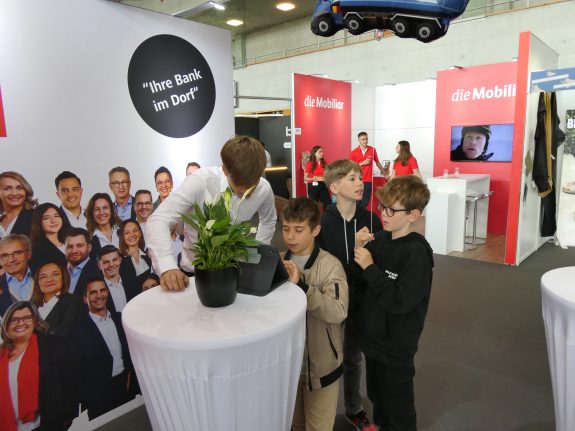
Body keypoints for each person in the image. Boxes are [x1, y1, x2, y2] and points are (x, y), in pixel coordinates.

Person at [146, 135, 277, 291]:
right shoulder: (200, 182)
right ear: (225, 170)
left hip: (235, 271)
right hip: (193, 273)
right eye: (239, 183)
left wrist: (258, 257)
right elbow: (158, 220)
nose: (245, 191)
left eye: (252, 185)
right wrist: (167, 266)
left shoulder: (264, 189)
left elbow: (268, 221)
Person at [353, 176, 433, 430]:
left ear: (413, 215)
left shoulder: (417, 253)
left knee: (399, 410)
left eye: (391, 210)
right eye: (382, 207)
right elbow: (362, 283)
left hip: (396, 346)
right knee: (378, 399)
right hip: (373, 340)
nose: (383, 214)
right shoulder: (379, 239)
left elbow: (400, 301)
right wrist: (359, 250)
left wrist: (370, 267)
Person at [319, 159, 382, 431]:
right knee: (327, 358)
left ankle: (354, 408)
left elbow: (378, 262)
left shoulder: (372, 220)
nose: (360, 183)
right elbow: (324, 267)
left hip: (364, 300)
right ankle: (321, 411)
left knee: (355, 355)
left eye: (360, 178)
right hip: (332, 301)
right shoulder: (323, 223)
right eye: (352, 178)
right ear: (334, 187)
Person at [280, 197, 348, 431]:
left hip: (322, 368)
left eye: (299, 230)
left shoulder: (330, 266)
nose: (290, 236)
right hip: (288, 367)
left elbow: (339, 311)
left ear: (315, 230)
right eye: (286, 229)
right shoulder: (278, 261)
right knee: (295, 425)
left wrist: (302, 287)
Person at [0, 301, 79, 431]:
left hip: (44, 425)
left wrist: (67, 417)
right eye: (14, 320)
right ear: (6, 324)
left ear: (36, 321)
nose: (21, 323)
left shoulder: (54, 345)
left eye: (27, 318)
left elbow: (70, 381)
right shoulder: (1, 355)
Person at [72, 277, 136, 420]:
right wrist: (90, 397)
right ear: (85, 299)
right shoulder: (78, 331)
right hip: (99, 398)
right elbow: (77, 372)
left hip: (126, 388)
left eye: (102, 290)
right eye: (93, 292)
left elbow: (129, 352)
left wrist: (129, 378)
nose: (99, 295)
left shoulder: (120, 319)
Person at [31, 261, 83, 338]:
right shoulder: (32, 306)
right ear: (37, 282)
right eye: (43, 277)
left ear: (63, 277)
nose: (49, 280)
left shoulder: (74, 301)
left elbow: (66, 330)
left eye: (55, 274)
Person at [96, 245, 139, 313]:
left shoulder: (131, 282)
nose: (111, 265)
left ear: (120, 260)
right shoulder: (97, 291)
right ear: (99, 266)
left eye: (114, 260)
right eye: (106, 262)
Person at [30, 203, 71, 272]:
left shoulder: (69, 243)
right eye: (46, 218)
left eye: (56, 216)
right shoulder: (37, 251)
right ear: (38, 222)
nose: (53, 221)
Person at [349, 132, 385, 208]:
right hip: (357, 180)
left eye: (366, 139)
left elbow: (377, 162)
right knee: (357, 201)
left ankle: (359, 214)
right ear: (358, 140)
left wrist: (383, 171)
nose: (365, 141)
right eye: (363, 139)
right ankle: (356, 215)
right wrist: (362, 163)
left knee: (365, 202)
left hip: (368, 180)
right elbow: (350, 167)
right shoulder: (353, 152)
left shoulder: (372, 150)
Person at [0, 235, 34, 316]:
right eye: (5, 255)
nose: (11, 260)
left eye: (17, 253)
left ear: (29, 254)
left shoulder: (43, 278)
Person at [64, 228, 101, 297]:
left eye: (79, 246)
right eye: (70, 247)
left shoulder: (99, 271)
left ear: (89, 247)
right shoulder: (61, 270)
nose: (74, 251)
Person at [0, 171, 38, 239]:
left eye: (19, 188)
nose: (14, 193)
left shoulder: (36, 216)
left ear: (26, 190)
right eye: (7, 188)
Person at [118, 220, 152, 290]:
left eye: (135, 230)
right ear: (122, 236)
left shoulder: (148, 256)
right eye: (127, 233)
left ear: (140, 233)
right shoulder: (119, 261)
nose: (132, 235)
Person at [86, 192, 121, 258]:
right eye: (97, 209)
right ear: (92, 213)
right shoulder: (88, 239)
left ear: (111, 210)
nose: (101, 212)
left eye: (105, 208)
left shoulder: (123, 231)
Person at [304, 146, 331, 210]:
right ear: (314, 153)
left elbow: (328, 174)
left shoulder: (325, 162)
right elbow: (305, 178)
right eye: (320, 152)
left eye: (322, 152)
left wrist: (325, 177)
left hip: (323, 185)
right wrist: (313, 178)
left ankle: (327, 216)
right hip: (313, 186)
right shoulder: (309, 163)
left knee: (328, 203)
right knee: (313, 206)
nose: (322, 153)